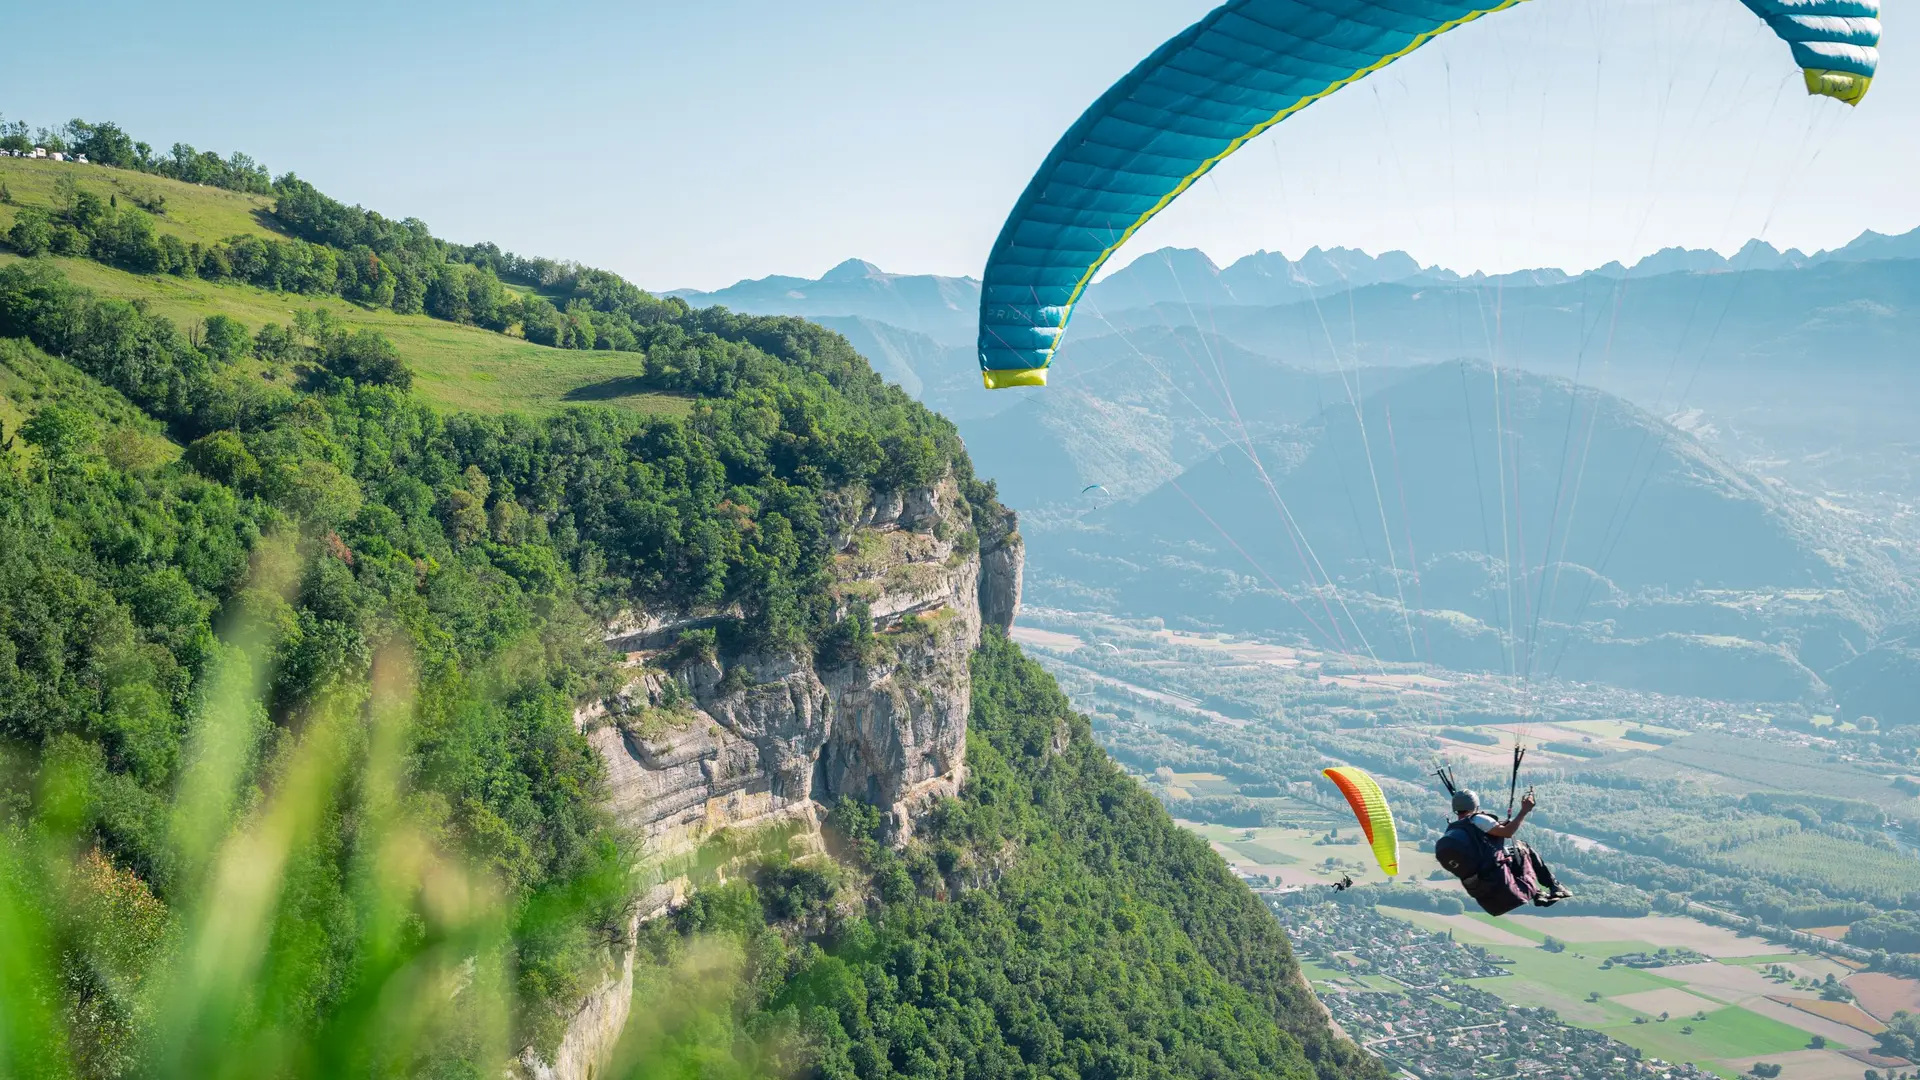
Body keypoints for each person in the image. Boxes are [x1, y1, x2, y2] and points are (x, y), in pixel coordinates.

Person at [1434, 786, 1571, 916]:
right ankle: (1554, 886)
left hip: (1480, 880)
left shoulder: (1453, 829)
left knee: (1509, 853)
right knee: (1523, 848)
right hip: (1494, 870)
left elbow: (1486, 838)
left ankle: (1538, 893)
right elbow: (1508, 832)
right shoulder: (1478, 819)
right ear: (1475, 805)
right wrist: (1525, 810)